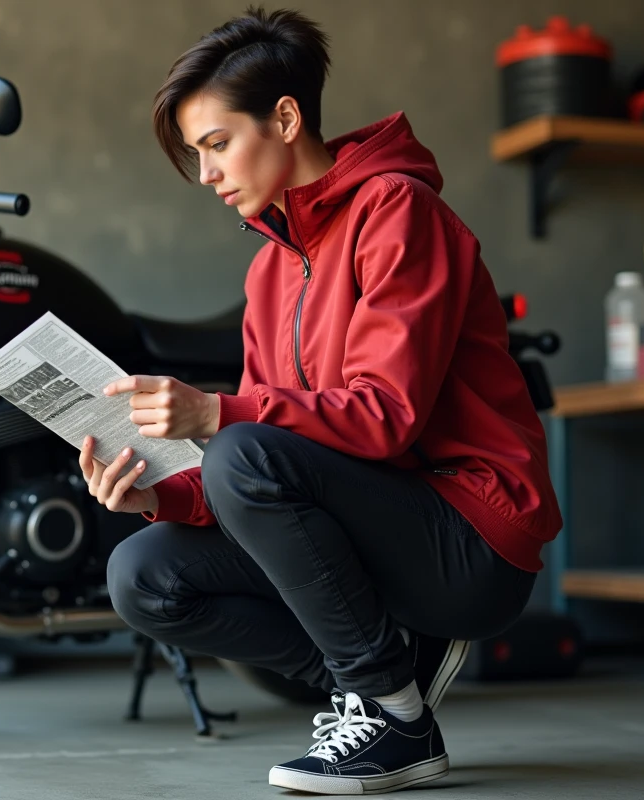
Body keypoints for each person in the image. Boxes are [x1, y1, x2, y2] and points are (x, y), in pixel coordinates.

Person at [79, 6, 562, 795]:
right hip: (379, 527)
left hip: (471, 539)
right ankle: (380, 679)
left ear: (286, 117)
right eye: (198, 154)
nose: (207, 174)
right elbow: (270, 460)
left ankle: (395, 719)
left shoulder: (399, 213)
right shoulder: (270, 270)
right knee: (141, 574)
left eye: (216, 144)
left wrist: (213, 414)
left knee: (239, 445)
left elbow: (382, 417)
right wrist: (154, 495)